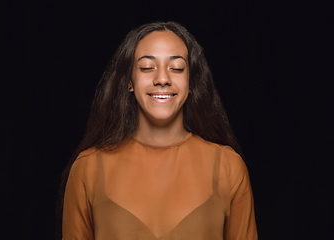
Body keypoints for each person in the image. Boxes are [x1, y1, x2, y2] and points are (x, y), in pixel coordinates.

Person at [58, 21, 257, 240]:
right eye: (146, 67)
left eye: (177, 68)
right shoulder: (88, 168)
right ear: (129, 81)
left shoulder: (229, 168)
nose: (162, 79)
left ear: (191, 82)